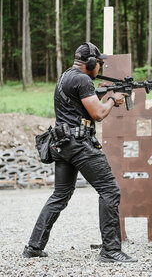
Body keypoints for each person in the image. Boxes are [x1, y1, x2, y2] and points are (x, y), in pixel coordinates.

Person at [23, 42, 137, 263]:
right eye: (99, 63)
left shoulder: (66, 76)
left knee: (60, 195)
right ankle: (110, 251)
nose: (100, 67)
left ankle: (34, 246)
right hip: (80, 144)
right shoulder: (83, 80)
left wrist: (99, 91)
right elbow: (98, 113)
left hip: (63, 144)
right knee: (110, 191)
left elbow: (77, 104)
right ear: (91, 63)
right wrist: (113, 99)